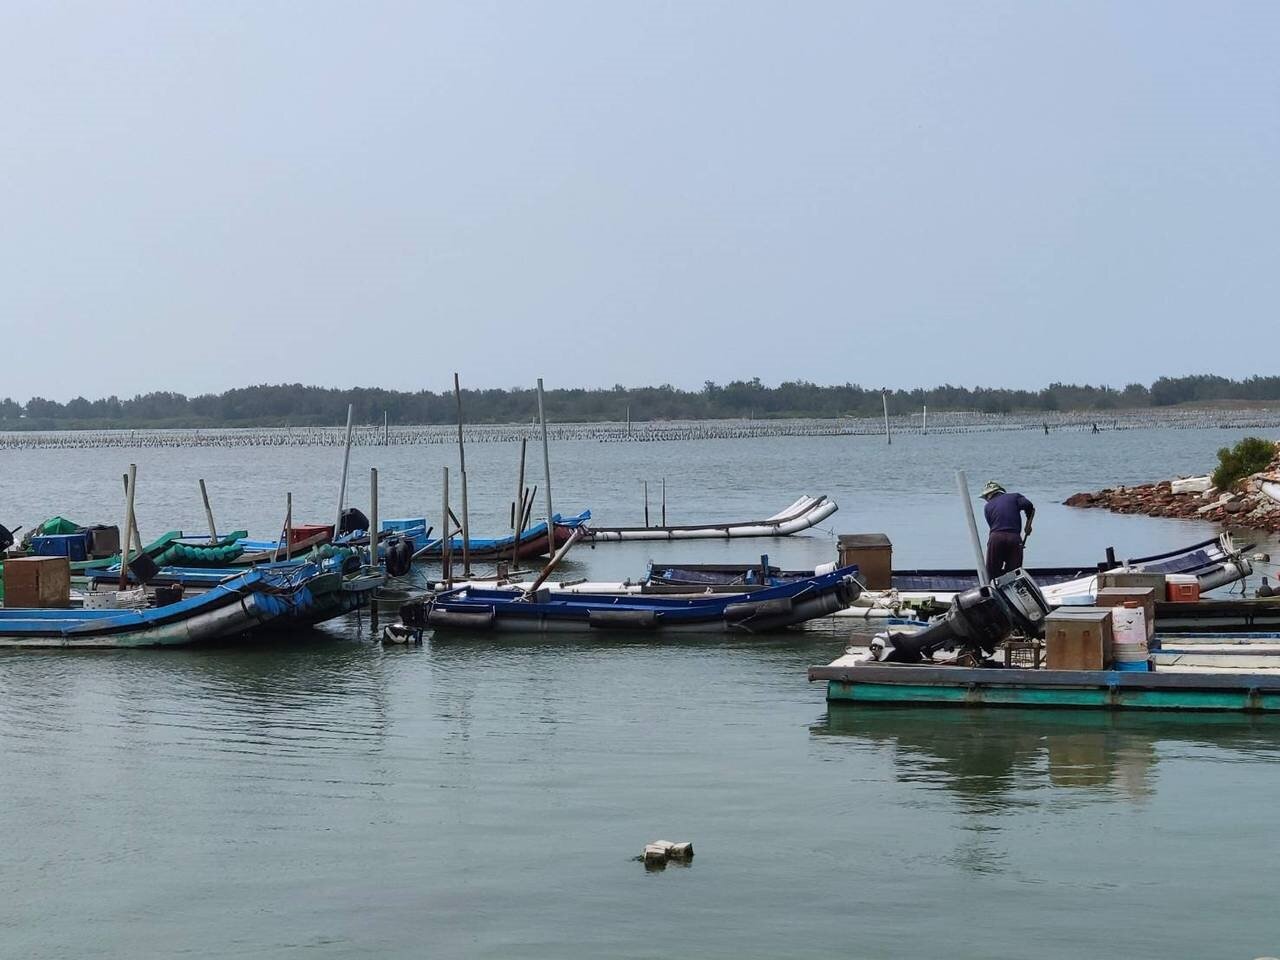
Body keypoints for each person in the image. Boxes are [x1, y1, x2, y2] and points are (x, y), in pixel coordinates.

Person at [979, 481, 1034, 579]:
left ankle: (992, 585)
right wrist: (1028, 524)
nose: (986, 500)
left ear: (989, 494)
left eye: (986, 497)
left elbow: (992, 527)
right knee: (1014, 571)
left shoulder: (987, 507)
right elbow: (1029, 506)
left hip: (996, 538)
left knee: (992, 571)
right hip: (1014, 538)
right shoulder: (1015, 497)